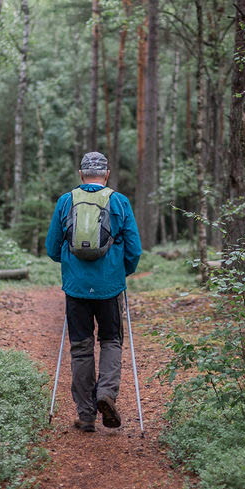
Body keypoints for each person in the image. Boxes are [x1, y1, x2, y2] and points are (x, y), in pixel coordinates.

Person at [46, 151, 143, 432]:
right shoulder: (119, 201)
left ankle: (86, 415)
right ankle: (106, 394)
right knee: (111, 341)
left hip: (76, 287)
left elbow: (52, 248)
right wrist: (121, 272)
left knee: (81, 348)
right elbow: (134, 249)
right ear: (107, 174)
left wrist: (70, 264)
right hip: (110, 287)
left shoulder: (66, 201)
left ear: (81, 174)